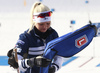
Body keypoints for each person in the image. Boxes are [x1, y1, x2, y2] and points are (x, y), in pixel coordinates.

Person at [8, 2, 63, 73]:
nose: (45, 27)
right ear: (34, 22)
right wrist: (32, 61)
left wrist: (54, 67)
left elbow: (59, 55)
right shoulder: (26, 37)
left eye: (48, 23)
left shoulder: (53, 34)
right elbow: (15, 64)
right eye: (41, 24)